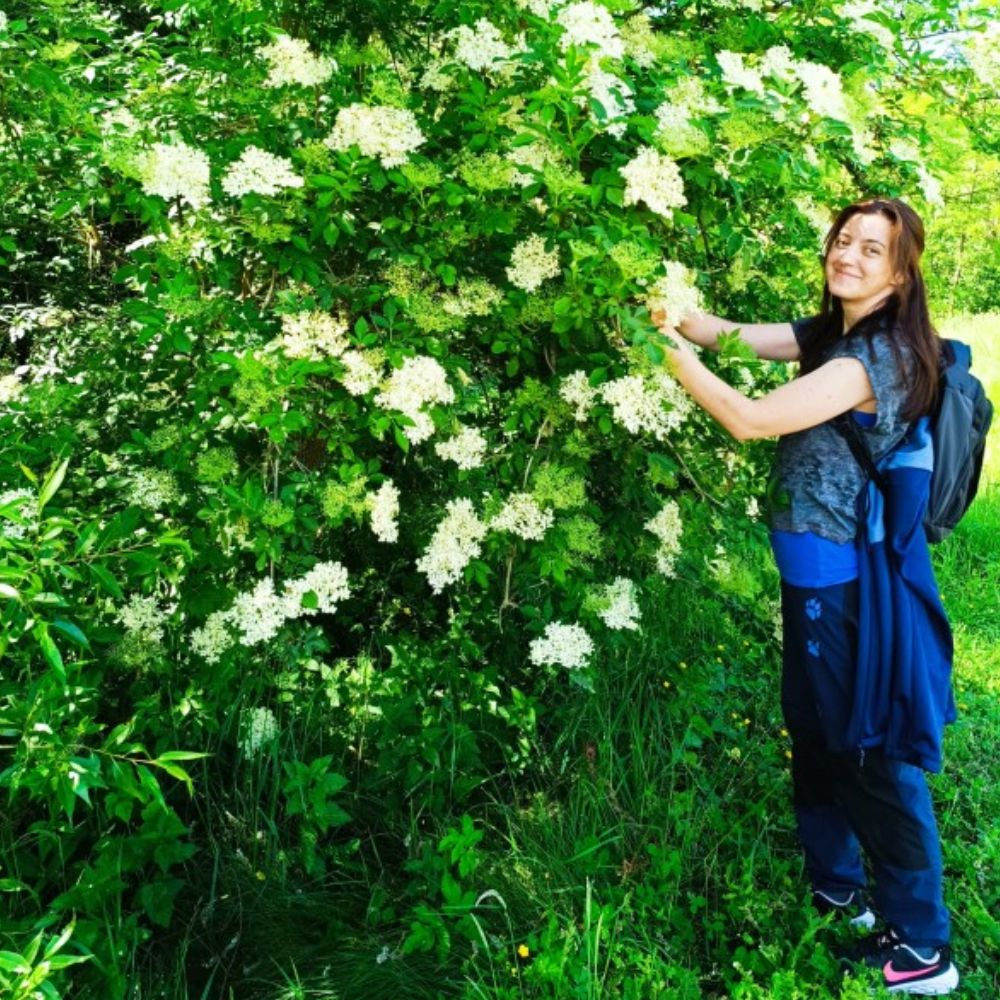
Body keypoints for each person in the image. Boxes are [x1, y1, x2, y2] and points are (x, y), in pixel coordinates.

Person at [652, 197, 959, 996]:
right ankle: (837, 886)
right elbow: (732, 337)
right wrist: (670, 310)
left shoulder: (879, 356)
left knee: (868, 751)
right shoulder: (832, 334)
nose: (849, 255)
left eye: (872, 248)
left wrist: (671, 360)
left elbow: (751, 418)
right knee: (816, 729)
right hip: (811, 579)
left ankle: (924, 947)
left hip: (846, 584)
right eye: (843, 239)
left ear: (900, 271)